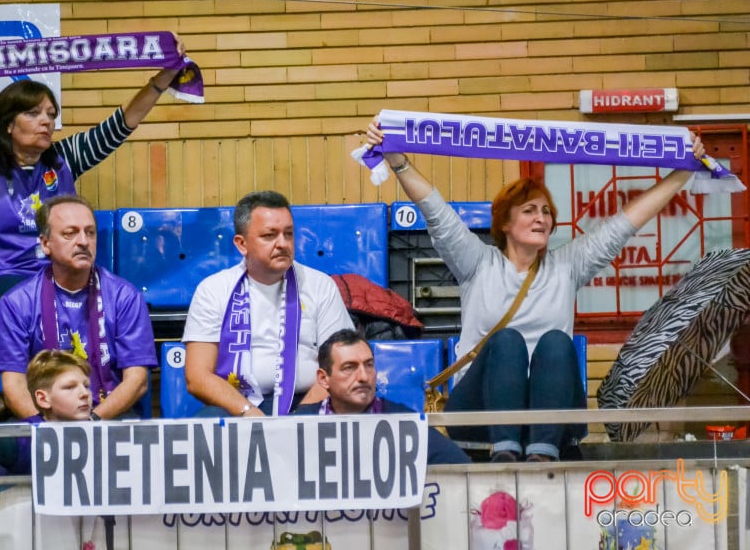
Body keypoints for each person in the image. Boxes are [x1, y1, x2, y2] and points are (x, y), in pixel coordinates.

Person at [367, 119, 706, 462]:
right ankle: (506, 452)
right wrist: (398, 159)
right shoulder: (477, 263)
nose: (541, 218)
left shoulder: (567, 266)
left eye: (546, 212)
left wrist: (682, 172)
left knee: (558, 342)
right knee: (507, 341)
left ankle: (542, 454)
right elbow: (435, 211)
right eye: (529, 210)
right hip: (482, 413)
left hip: (552, 415)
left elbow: (625, 223)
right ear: (504, 223)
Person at [0, 36, 186, 325]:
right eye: (33, 113)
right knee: (45, 300)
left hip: (58, 279)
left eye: (51, 114)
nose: (46, 121)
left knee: (123, 301)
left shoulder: (64, 159)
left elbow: (121, 124)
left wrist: (166, 76)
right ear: (9, 124)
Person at [0, 195, 157, 420]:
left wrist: (92, 423)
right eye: (70, 233)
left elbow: (137, 381)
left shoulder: (125, 297)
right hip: (44, 417)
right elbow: (14, 385)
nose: (83, 241)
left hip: (110, 416)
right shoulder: (17, 303)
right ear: (46, 244)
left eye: (90, 232)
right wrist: (48, 430)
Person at [183, 190, 354, 417]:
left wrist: (300, 417)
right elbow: (197, 377)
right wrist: (247, 411)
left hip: (310, 401)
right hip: (239, 404)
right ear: (241, 244)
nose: (282, 243)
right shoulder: (213, 290)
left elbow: (344, 364)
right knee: (206, 422)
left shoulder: (320, 285)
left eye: (289, 234)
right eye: (269, 235)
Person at [293, 329, 470, 465]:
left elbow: (460, 467)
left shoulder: (403, 422)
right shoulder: (297, 425)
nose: (363, 376)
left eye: (369, 365)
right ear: (324, 379)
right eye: (349, 367)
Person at [0, 349, 98, 475]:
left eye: (86, 386)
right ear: (43, 399)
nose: (84, 393)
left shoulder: (106, 432)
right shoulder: (21, 437)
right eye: (69, 387)